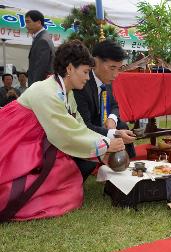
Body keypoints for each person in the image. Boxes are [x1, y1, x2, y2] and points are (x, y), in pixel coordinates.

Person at [0, 40, 125, 221]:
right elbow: (66, 133)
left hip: (35, 140)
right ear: (69, 69)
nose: (88, 77)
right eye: (85, 72)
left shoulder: (65, 91)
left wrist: (102, 147)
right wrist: (106, 144)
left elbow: (78, 126)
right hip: (15, 137)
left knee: (70, 185)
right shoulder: (46, 91)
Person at [73, 40, 136, 179]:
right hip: (86, 127)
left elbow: (114, 105)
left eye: (119, 69)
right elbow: (85, 127)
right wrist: (114, 133)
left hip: (101, 122)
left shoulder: (105, 80)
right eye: (112, 68)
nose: (116, 74)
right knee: (119, 132)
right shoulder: (81, 83)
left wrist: (112, 120)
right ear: (95, 62)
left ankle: (126, 167)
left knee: (122, 125)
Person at [25, 10, 55, 86]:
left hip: (38, 87)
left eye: (28, 22)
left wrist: (33, 89)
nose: (26, 25)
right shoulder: (41, 37)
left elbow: (40, 69)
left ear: (38, 22)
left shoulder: (42, 40)